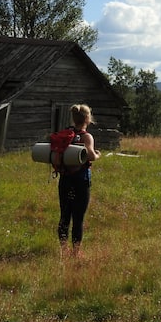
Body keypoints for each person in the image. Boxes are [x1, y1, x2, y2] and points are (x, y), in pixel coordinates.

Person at [57, 103, 101, 258]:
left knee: (64, 215)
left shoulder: (66, 134)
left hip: (65, 180)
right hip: (81, 181)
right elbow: (90, 156)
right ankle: (76, 252)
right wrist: (97, 155)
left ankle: (63, 250)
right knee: (78, 218)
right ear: (88, 119)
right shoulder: (86, 136)